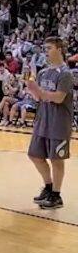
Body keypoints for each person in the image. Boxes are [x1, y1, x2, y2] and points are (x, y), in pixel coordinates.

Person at [27, 36, 73, 210]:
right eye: (44, 48)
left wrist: (39, 92)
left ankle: (56, 195)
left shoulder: (66, 74)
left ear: (59, 49)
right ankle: (48, 187)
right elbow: (39, 96)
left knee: (56, 159)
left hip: (59, 122)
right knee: (34, 155)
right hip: (43, 120)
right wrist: (32, 90)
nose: (45, 51)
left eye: (49, 48)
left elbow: (59, 98)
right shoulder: (43, 72)